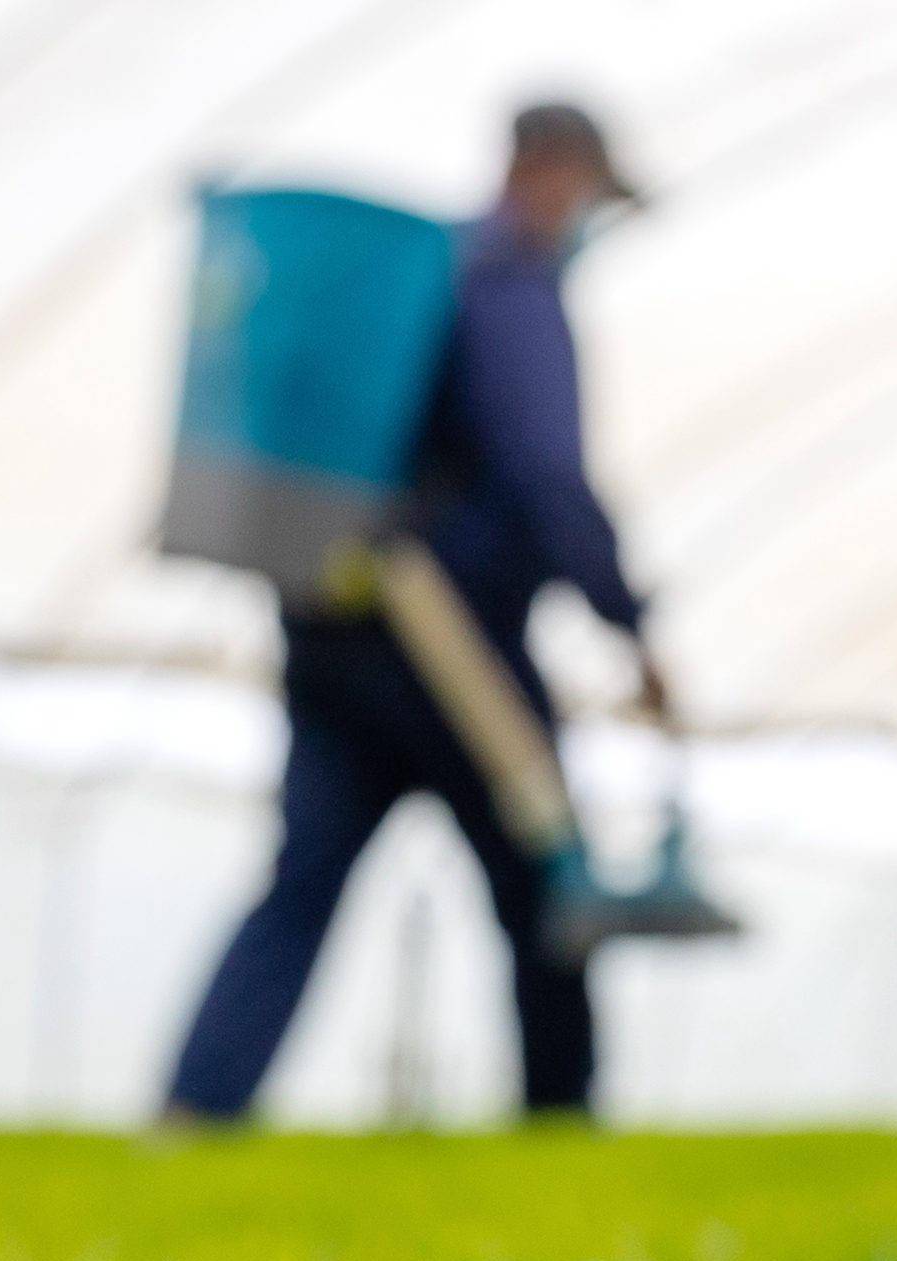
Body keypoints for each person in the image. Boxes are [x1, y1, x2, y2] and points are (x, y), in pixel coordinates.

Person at [164, 101, 690, 1124]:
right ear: (549, 168)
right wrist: (626, 621)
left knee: (300, 881)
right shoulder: (505, 286)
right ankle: (559, 1120)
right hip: (453, 643)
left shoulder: (409, 282)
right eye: (591, 195)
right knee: (545, 876)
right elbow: (547, 472)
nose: (590, 221)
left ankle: (193, 1109)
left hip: (330, 617)